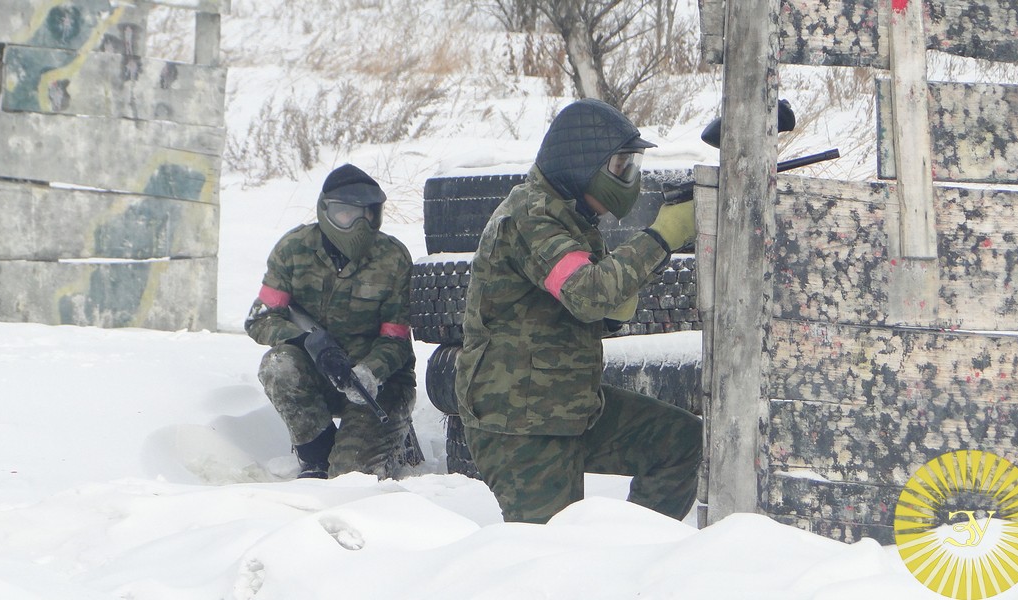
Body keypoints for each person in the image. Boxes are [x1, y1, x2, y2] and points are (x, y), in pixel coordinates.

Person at [455, 99, 703, 524]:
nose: (629, 177)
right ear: (582, 163)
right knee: (554, 558)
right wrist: (664, 236)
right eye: (621, 165)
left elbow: (592, 306)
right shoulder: (531, 217)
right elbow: (587, 293)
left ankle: (632, 562)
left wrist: (619, 293)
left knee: (678, 442)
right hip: (520, 423)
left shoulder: (570, 216)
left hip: (569, 405)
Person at [245, 164, 416, 480]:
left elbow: (397, 340)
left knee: (351, 479)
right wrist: (308, 343)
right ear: (326, 212)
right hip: (321, 375)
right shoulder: (294, 250)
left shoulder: (392, 258)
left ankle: (393, 437)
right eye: (346, 214)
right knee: (278, 365)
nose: (359, 225)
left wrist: (370, 372)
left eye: (369, 214)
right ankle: (315, 455)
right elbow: (261, 318)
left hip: (377, 386)